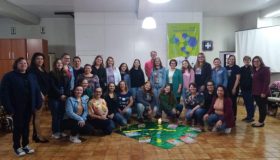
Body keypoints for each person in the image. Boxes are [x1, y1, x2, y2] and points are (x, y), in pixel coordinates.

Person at [0, 57, 42, 156]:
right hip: (16, 108)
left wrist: (38, 103)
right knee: (18, 127)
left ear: (27, 65)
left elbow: (36, 89)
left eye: (25, 63)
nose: (23, 64)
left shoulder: (31, 76)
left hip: (29, 107)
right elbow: (4, 94)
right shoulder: (9, 76)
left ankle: (26, 145)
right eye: (21, 63)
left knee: (26, 127)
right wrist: (9, 108)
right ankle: (17, 147)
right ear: (16, 65)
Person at [29, 52, 49, 143]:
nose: (40, 60)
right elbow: (35, 84)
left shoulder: (42, 69)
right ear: (34, 60)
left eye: (41, 59)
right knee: (37, 117)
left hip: (43, 95)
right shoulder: (32, 70)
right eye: (38, 59)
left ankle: (35, 135)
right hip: (37, 96)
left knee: (38, 117)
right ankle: (38, 136)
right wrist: (40, 94)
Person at [48, 58, 71, 139]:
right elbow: (52, 86)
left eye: (61, 63)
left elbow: (68, 86)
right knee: (55, 115)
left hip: (64, 97)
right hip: (55, 97)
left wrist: (66, 95)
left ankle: (61, 131)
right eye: (57, 63)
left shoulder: (65, 73)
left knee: (61, 115)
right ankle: (55, 132)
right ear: (55, 64)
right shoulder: (51, 73)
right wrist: (60, 95)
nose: (59, 64)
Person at [251, 56, 270, 127]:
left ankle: (261, 122)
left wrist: (264, 92)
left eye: (257, 61)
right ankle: (260, 121)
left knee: (262, 107)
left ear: (260, 61)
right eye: (254, 61)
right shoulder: (254, 69)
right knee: (260, 107)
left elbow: (267, 81)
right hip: (255, 92)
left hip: (262, 92)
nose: (255, 62)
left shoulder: (265, 69)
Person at [240, 56, 255, 123]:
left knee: (250, 103)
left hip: (250, 89)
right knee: (246, 103)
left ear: (250, 61)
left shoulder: (252, 68)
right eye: (245, 60)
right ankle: (248, 116)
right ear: (243, 61)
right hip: (243, 89)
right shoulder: (241, 69)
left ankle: (251, 117)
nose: (246, 61)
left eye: (248, 60)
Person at [226, 55, 240, 122]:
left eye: (233, 59)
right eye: (230, 59)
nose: (231, 60)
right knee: (227, 102)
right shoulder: (225, 67)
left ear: (234, 60)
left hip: (233, 88)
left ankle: (234, 116)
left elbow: (238, 79)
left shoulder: (237, 68)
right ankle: (227, 115)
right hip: (226, 88)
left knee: (233, 103)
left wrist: (234, 88)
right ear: (228, 60)